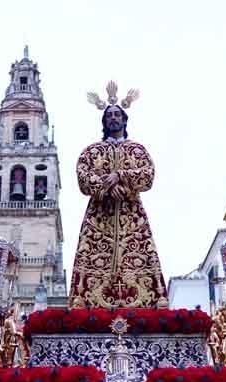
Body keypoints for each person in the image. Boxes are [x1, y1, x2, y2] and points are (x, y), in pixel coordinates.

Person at [69, 87, 167, 308]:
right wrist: (107, 186)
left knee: (139, 261)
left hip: (132, 219)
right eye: (109, 115)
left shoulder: (137, 150)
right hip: (98, 220)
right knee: (91, 263)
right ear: (104, 121)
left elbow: (148, 175)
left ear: (124, 119)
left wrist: (120, 176)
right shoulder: (91, 151)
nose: (114, 118)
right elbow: (83, 178)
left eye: (117, 115)